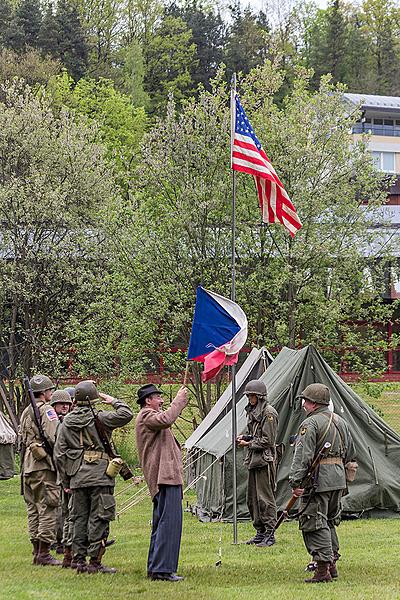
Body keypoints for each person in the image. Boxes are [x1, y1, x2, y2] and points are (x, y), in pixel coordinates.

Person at [54, 380, 133, 574]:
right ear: (94, 399)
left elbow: (59, 454)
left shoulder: (65, 423)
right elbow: (127, 414)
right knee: (100, 517)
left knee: (78, 518)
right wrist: (113, 400)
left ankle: (78, 560)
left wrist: (66, 481)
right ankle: (95, 562)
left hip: (77, 478)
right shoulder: (101, 418)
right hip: (100, 477)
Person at [289, 383, 356, 583]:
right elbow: (350, 452)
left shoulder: (310, 424)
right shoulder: (340, 421)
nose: (303, 404)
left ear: (314, 403)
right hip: (338, 479)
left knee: (314, 523)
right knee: (328, 522)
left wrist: (295, 481)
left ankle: (322, 569)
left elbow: (303, 457)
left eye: (306, 400)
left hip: (318, 481)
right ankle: (332, 565)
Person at [135, 383, 188, 582]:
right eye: (158, 397)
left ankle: (157, 566)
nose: (162, 400)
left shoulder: (150, 417)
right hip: (164, 478)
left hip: (165, 478)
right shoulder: (147, 416)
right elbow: (167, 418)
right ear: (148, 401)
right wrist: (179, 401)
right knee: (169, 524)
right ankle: (162, 570)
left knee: (162, 523)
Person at [20, 374, 61, 566]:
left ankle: (37, 551)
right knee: (49, 506)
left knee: (33, 509)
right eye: (50, 390)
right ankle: (44, 553)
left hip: (28, 465)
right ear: (44, 392)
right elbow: (54, 437)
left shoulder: (26, 411)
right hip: (44, 465)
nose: (51, 393)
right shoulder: (47, 410)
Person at [237, 379, 279, 547]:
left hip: (264, 460)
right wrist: (245, 437)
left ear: (260, 396)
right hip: (254, 459)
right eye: (248, 396)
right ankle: (260, 532)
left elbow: (268, 440)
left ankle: (270, 533)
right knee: (252, 499)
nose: (249, 399)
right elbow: (255, 434)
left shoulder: (269, 413)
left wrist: (248, 444)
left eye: (252, 396)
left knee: (265, 499)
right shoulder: (253, 411)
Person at [50, 390, 74, 563]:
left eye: (67, 404)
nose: (65, 406)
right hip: (59, 470)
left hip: (66, 468)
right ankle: (60, 542)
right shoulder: (56, 422)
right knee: (61, 509)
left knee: (66, 509)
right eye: (61, 404)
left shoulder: (65, 421)